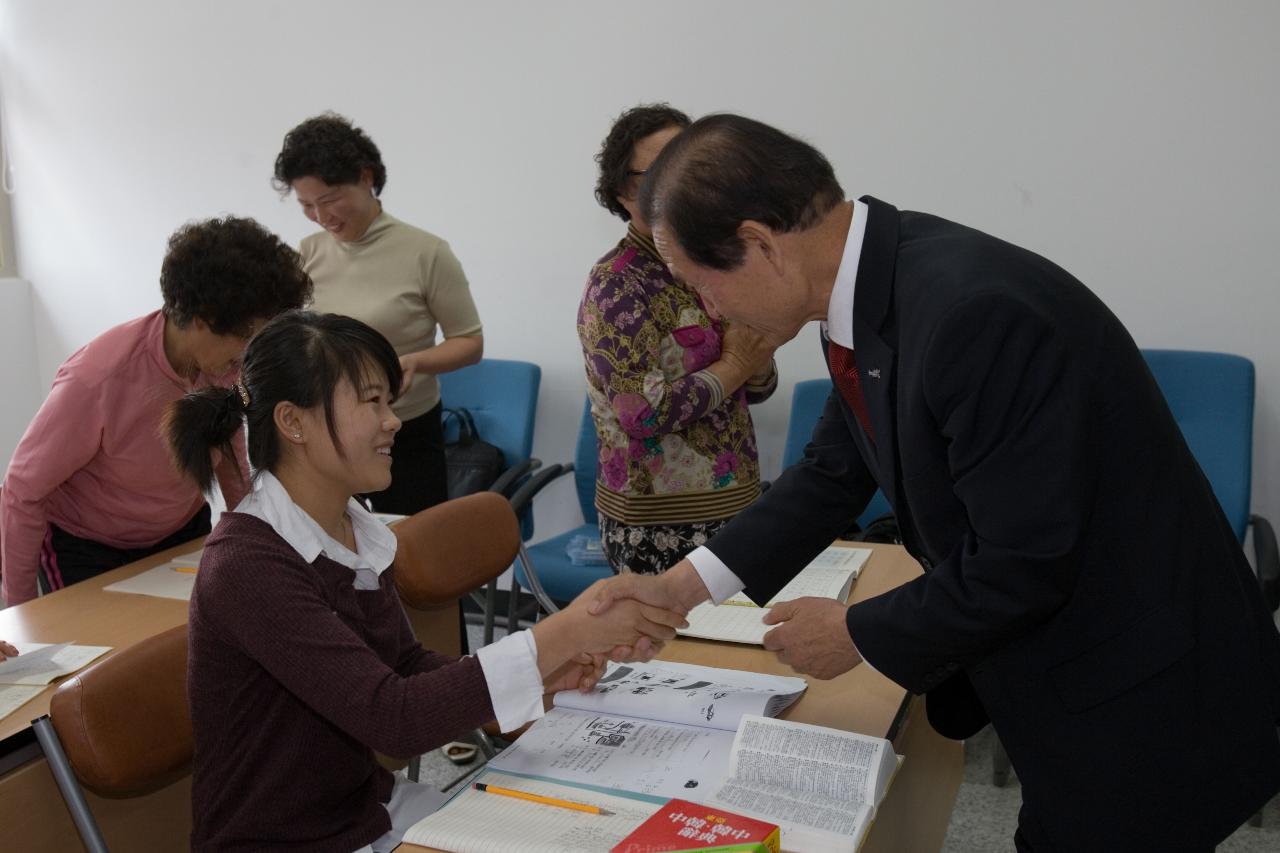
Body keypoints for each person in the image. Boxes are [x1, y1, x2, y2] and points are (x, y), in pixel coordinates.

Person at [591, 114, 1280, 851]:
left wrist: (859, 629)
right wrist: (681, 589)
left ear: (760, 245)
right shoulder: (864, 290)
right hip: (1067, 666)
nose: (710, 311)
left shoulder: (971, 314)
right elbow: (834, 469)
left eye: (702, 285)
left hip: (1135, 683)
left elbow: (1024, 561)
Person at [164, 310, 683, 853]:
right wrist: (564, 635)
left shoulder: (350, 527)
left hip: (364, 812)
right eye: (371, 402)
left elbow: (404, 667)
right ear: (294, 423)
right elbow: (393, 718)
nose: (393, 421)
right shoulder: (249, 563)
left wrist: (544, 676)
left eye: (389, 401)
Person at [0, 217, 312, 605]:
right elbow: (22, 490)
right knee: (109, 659)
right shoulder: (99, 378)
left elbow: (231, 462)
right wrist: (19, 607)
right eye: (246, 337)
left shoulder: (225, 367)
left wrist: (258, 548)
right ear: (201, 320)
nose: (248, 353)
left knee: (194, 642)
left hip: (179, 530)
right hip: (86, 546)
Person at [579, 104, 777, 574]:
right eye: (663, 169)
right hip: (659, 526)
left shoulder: (715, 262)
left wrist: (753, 359)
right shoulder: (617, 285)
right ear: (626, 190)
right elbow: (640, 412)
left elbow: (760, 387)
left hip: (738, 506)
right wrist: (733, 366)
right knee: (673, 650)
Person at [273, 113, 483, 515]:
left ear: (366, 177)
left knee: (411, 555)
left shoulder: (426, 252)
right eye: (307, 206)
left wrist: (415, 362)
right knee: (334, 555)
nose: (322, 216)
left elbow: (470, 343)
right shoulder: (307, 253)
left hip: (404, 432)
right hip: (327, 435)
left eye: (331, 199)